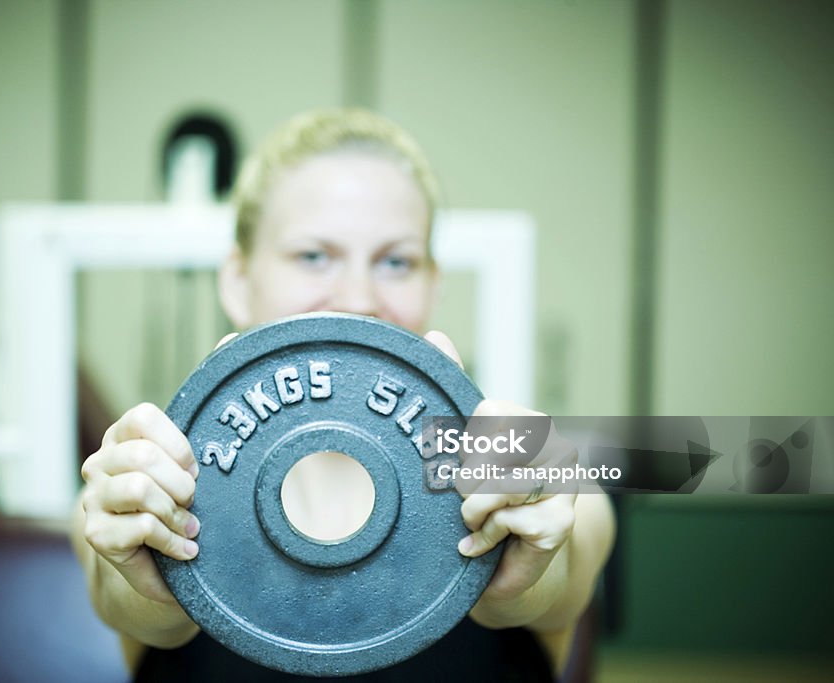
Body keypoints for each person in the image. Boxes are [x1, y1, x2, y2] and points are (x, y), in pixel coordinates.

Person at [71, 109, 615, 681]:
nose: (357, 297)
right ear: (236, 279)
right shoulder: (138, 478)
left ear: (433, 283)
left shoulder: (528, 471)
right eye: (313, 255)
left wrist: (522, 569)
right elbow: (135, 607)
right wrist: (146, 565)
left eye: (396, 262)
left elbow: (553, 583)